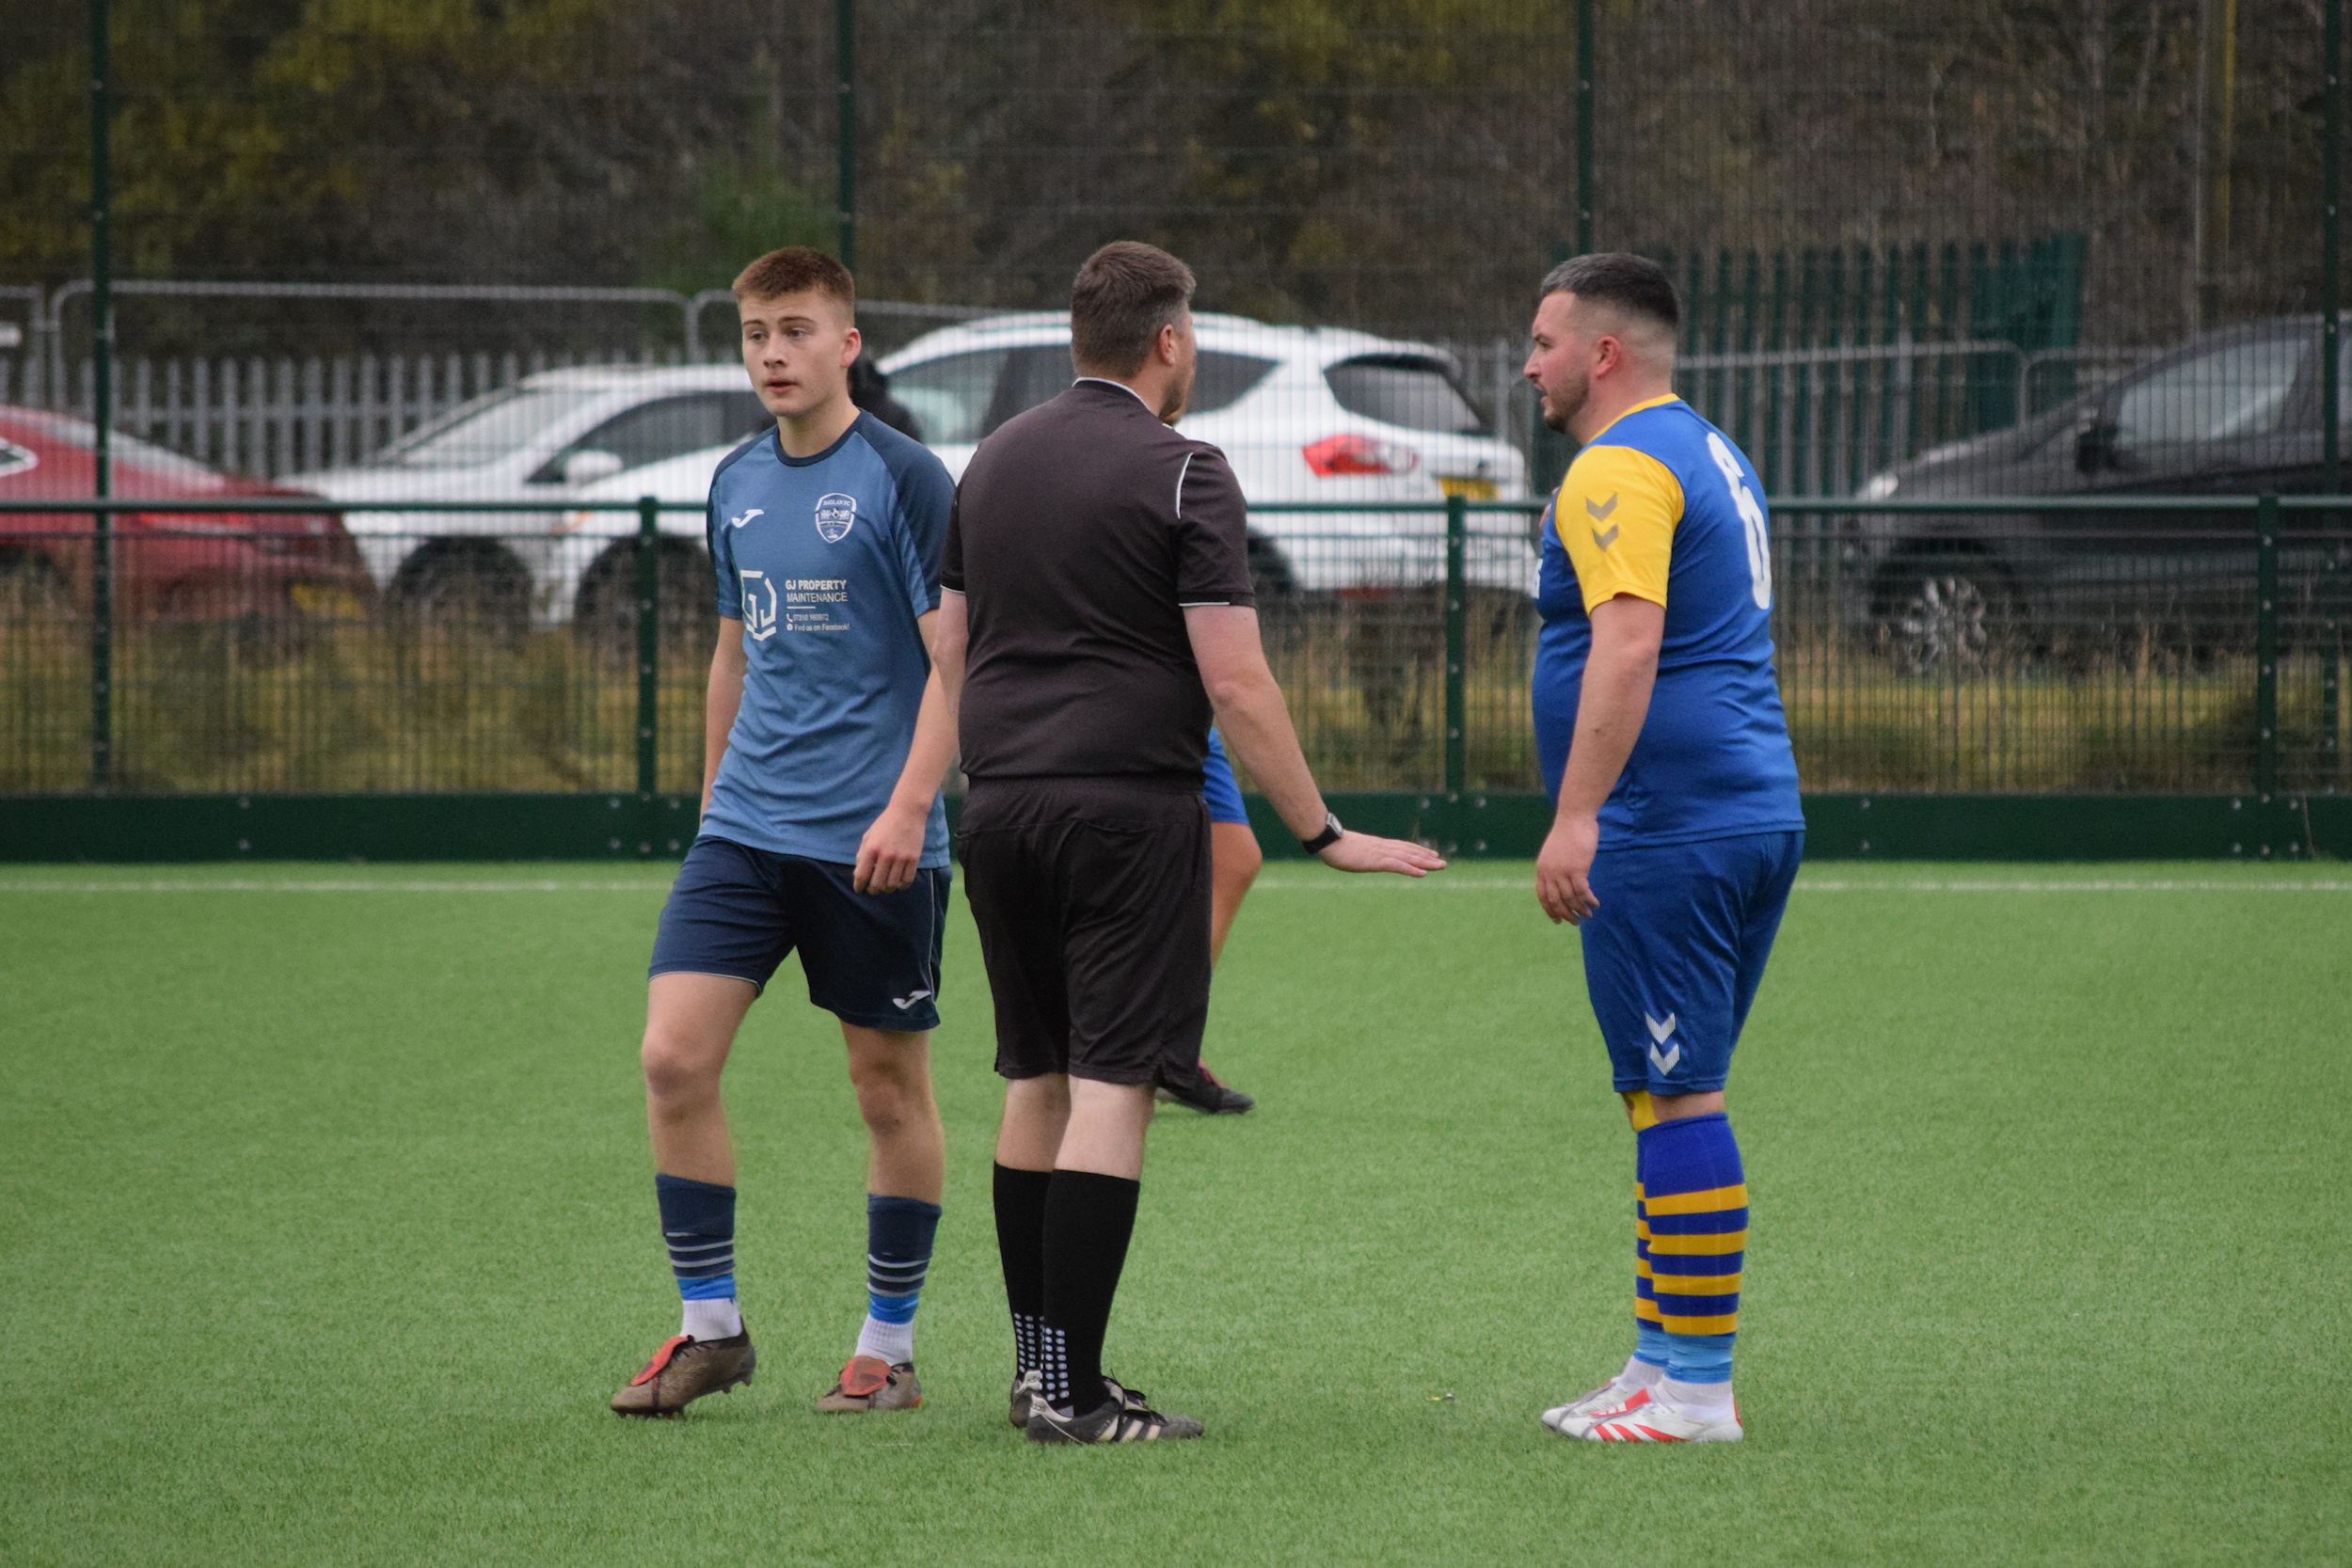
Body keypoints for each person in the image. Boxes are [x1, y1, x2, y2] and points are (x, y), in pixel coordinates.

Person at [932, 241, 1446, 1444]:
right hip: (1124, 811)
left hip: (998, 805)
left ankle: (1038, 1372)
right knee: (1115, 1087)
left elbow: (948, 655)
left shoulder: (989, 463)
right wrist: (1320, 830)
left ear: (1077, 337)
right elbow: (1238, 680)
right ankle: (1073, 1391)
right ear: (1167, 341)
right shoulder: (1186, 471)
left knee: (1035, 1077)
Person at [611, 246, 961, 1419]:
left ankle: (888, 1348)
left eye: (796, 329)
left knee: (884, 1089)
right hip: (747, 831)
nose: (772, 352)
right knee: (672, 1056)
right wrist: (713, 803)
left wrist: (912, 803)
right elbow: (730, 650)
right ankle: (711, 1329)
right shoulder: (733, 480)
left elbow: (959, 662)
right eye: (757, 331)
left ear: (847, 343)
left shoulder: (905, 477)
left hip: (875, 839)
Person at [1520, 253, 1804, 1444]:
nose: (1527, 363)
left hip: (1666, 821)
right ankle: (1654, 1363)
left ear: (1602, 353)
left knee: (1681, 1092)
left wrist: (1577, 812)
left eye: (1541, 341)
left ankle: (1696, 1391)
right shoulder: (1708, 445)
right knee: (1658, 1088)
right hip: (1737, 808)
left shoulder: (1615, 463)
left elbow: (1628, 647)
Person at [1153, 726, 1260, 1116]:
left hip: (1185, 704)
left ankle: (1166, 1047)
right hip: (1125, 691)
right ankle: (1135, 1049)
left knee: (1235, 857)